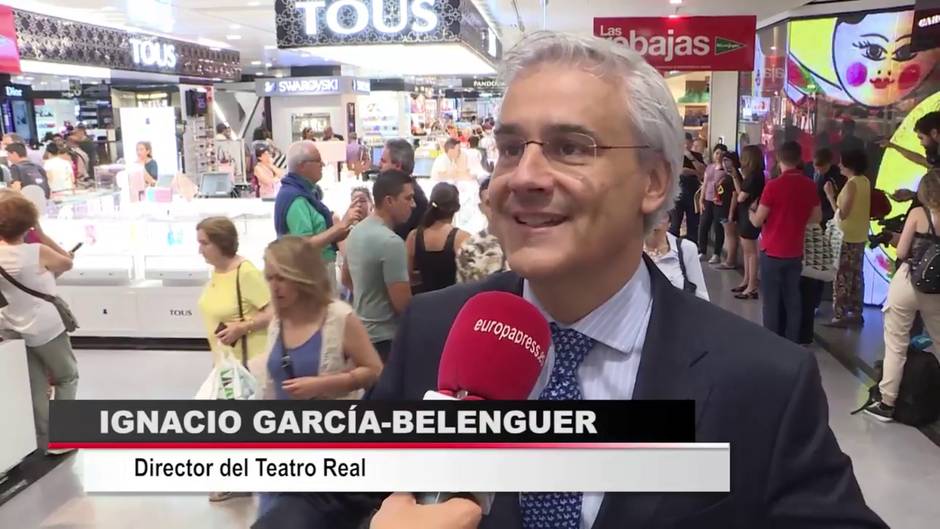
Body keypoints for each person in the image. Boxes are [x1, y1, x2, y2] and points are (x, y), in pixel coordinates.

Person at [255, 32, 885, 529]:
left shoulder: (763, 380)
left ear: (654, 182)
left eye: (571, 147)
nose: (522, 177)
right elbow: (320, 496)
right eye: (509, 148)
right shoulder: (435, 332)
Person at [251, 235, 382, 516]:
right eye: (270, 278)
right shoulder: (278, 320)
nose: (274, 287)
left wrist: (325, 384)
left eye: (282, 278)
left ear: (302, 276)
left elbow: (374, 370)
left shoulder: (339, 318)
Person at [0, 193, 77, 455]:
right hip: (46, 327)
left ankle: (43, 437)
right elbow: (66, 261)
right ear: (28, 223)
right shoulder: (36, 251)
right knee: (67, 376)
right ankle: (64, 438)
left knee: (34, 384)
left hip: (11, 326)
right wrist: (41, 232)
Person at [866, 168, 940, 421]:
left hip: (908, 282)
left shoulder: (918, 214)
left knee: (896, 344)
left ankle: (886, 403)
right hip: (937, 289)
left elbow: (901, 252)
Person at [751, 141, 822, 342]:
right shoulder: (809, 185)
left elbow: (758, 220)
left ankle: (772, 342)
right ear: (799, 159)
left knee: (771, 300)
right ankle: (793, 340)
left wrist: (750, 214)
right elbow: (817, 217)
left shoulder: (773, 186)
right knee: (793, 298)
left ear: (779, 159)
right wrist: (797, 221)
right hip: (795, 250)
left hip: (772, 250)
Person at [343, 170, 415, 362]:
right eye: (408, 198)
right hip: (386, 339)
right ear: (389, 200)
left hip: (361, 333)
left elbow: (346, 280)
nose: (413, 205)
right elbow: (402, 304)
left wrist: (371, 294)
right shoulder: (391, 242)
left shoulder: (356, 232)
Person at [274, 141, 363, 293]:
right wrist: (339, 226)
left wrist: (339, 231)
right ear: (302, 165)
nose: (322, 164)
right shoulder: (296, 200)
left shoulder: (306, 194)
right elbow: (304, 245)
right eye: (317, 160)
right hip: (310, 277)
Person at [196, 217, 273, 367]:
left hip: (249, 364)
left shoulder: (245, 273)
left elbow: (274, 313)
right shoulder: (218, 271)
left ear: (221, 243)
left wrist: (243, 327)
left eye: (204, 243)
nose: (200, 250)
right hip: (226, 363)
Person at [824, 149, 871, 327]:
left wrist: (830, 195)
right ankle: (856, 311)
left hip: (846, 235)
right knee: (856, 275)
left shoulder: (851, 184)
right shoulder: (865, 181)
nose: (839, 165)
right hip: (859, 234)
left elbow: (842, 213)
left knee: (842, 275)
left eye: (842, 162)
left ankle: (840, 314)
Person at [406, 182, 470, 294]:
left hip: (423, 302)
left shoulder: (414, 236)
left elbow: (406, 275)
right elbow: (469, 279)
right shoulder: (461, 237)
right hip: (452, 303)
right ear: (456, 208)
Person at [644, 217, 708, 300]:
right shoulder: (630, 251)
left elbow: (701, 293)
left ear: (669, 223)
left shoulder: (685, 248)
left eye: (662, 215)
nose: (655, 222)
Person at [456, 178, 507, 283]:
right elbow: (463, 290)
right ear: (481, 207)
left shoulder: (524, 242)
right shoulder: (469, 248)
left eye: (499, 201)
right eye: (489, 203)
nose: (494, 207)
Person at [731, 145, 765, 300]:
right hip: (746, 214)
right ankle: (746, 280)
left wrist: (735, 177)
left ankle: (752, 285)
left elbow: (740, 197)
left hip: (749, 216)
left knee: (751, 252)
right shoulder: (756, 175)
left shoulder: (753, 177)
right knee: (747, 251)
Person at [380, 139, 429, 240]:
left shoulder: (414, 199)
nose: (379, 165)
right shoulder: (395, 191)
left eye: (384, 161)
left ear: (397, 165)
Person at [669, 132, 705, 241]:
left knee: (693, 225)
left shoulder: (696, 156)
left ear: (690, 143)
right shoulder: (674, 156)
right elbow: (674, 171)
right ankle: (673, 248)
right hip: (677, 193)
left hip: (693, 194)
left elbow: (703, 171)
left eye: (686, 143)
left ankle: (692, 249)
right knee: (674, 225)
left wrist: (690, 158)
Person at [698, 144, 728, 263]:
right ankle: (702, 251)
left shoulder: (725, 170)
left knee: (718, 227)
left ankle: (717, 253)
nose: (718, 156)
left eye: (721, 153)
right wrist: (701, 200)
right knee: (703, 225)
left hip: (719, 202)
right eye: (717, 153)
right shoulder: (709, 167)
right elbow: (704, 184)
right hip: (707, 199)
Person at [715, 151, 740, 270]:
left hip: (729, 209)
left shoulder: (734, 176)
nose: (725, 163)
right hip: (722, 207)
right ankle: (729, 259)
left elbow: (735, 195)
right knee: (728, 235)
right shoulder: (727, 175)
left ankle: (730, 261)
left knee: (731, 236)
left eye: (727, 160)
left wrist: (731, 213)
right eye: (723, 161)